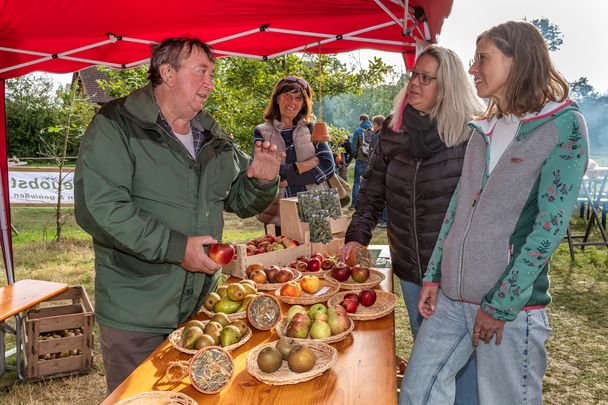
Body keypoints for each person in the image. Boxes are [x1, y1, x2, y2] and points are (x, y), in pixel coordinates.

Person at [74, 38, 284, 393]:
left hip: (203, 309)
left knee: (196, 396)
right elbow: (101, 209)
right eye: (201, 71)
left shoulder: (212, 136)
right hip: (138, 310)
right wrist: (177, 249)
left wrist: (264, 180)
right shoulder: (116, 126)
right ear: (167, 72)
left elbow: (238, 200)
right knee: (139, 398)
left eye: (212, 73)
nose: (210, 83)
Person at [401, 21, 589, 405]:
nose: (472, 69)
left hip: (511, 310)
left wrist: (501, 304)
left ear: (516, 60)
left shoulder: (563, 125)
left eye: (482, 58)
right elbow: (457, 206)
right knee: (416, 394)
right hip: (451, 300)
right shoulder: (484, 127)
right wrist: (435, 274)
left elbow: (548, 229)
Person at [342, 45, 485, 405]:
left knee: (461, 369)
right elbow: (371, 193)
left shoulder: (471, 136)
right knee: (425, 355)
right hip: (409, 268)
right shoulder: (391, 131)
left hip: (456, 277)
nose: (414, 84)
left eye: (426, 78)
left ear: (448, 86)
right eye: (413, 75)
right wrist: (356, 237)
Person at [254, 75, 335, 235]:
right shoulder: (262, 131)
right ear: (277, 98)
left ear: (303, 103)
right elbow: (262, 171)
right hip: (277, 209)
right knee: (282, 255)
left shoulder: (313, 128)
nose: (292, 102)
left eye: (298, 98)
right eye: (287, 96)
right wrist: (305, 165)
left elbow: (328, 166)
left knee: (319, 254)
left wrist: (287, 176)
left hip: (315, 204)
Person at [350, 113, 373, 209]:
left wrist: (355, 156)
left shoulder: (358, 131)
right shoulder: (373, 130)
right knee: (369, 182)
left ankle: (354, 204)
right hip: (370, 161)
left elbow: (353, 146)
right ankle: (366, 204)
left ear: (361, 120)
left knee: (357, 182)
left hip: (360, 160)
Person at [368, 114, 387, 227]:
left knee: (380, 196)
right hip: (387, 171)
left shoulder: (377, 137)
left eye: (373, 124)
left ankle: (383, 220)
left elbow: (372, 156)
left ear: (376, 124)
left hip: (378, 172)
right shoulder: (389, 135)